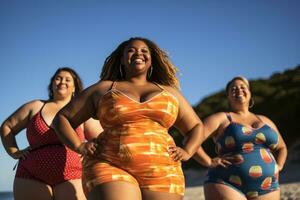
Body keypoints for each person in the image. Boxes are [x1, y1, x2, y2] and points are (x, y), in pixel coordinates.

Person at [53, 37, 204, 200]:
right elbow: (62, 118)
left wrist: (188, 151)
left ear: (151, 60)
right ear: (122, 59)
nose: (138, 53)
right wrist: (79, 146)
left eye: (144, 51)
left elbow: (196, 126)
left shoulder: (170, 93)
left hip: (164, 171)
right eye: (131, 50)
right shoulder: (103, 88)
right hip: (109, 164)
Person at [0, 67, 103, 200]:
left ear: (74, 88)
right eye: (58, 78)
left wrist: (88, 153)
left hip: (73, 175)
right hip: (31, 175)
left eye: (67, 80)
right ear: (52, 84)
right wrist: (14, 151)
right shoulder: (35, 106)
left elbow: (102, 138)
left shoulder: (82, 111)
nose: (62, 82)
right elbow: (7, 126)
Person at [194, 76, 288, 200]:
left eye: (243, 87)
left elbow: (282, 147)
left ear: (249, 93)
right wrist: (208, 161)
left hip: (268, 186)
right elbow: (192, 140)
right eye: (233, 89)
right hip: (226, 183)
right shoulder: (221, 119)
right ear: (228, 97)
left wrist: (279, 166)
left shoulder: (265, 121)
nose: (238, 90)